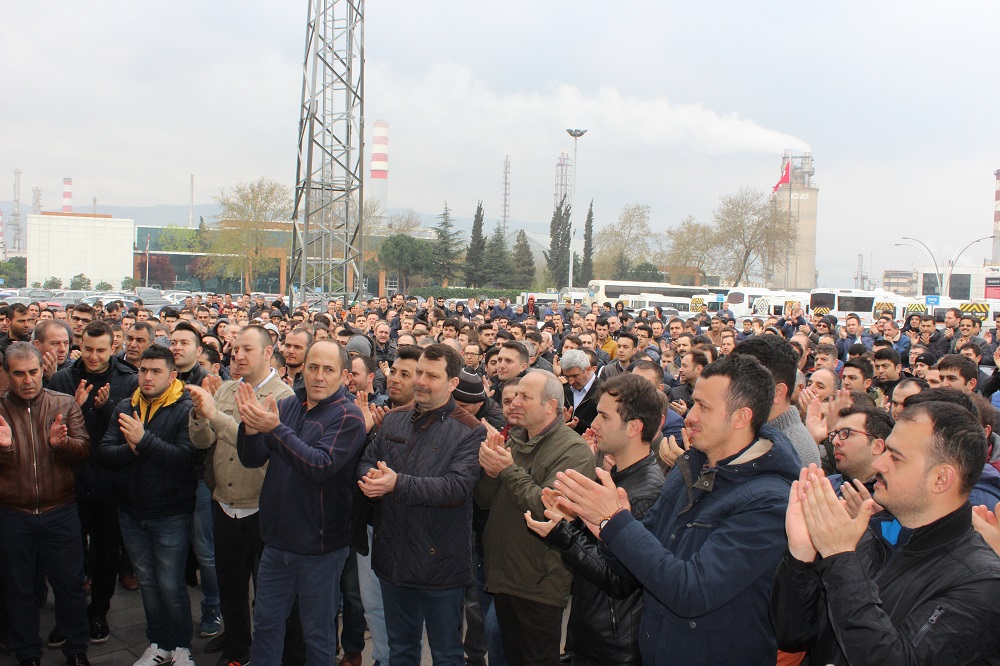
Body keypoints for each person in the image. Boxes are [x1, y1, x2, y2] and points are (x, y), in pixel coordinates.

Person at [552, 354, 801, 664]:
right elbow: (636, 564)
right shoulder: (690, 468)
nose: (689, 416)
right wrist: (604, 528)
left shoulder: (769, 502)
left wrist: (615, 523)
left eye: (704, 407)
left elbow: (691, 591)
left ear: (740, 418)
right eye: (694, 402)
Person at [771, 402, 1000, 664]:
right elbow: (792, 634)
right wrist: (801, 556)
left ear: (941, 479)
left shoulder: (982, 583)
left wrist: (840, 555)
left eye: (895, 456)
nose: (878, 463)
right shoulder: (873, 533)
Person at [237, 339, 366, 666]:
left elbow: (320, 465)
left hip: (319, 548)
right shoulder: (289, 404)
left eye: (328, 369)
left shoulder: (347, 415)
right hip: (277, 541)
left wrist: (274, 428)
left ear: (344, 376)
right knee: (265, 623)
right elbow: (252, 459)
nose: (319, 377)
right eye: (312, 367)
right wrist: (251, 428)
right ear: (302, 370)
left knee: (317, 634)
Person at [357, 344, 486, 665]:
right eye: (420, 373)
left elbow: (456, 488)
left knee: (446, 654)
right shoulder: (394, 420)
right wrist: (371, 480)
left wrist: (396, 483)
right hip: (394, 560)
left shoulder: (471, 431)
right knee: (400, 649)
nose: (421, 381)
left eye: (432, 375)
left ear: (453, 383)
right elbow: (366, 461)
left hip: (440, 566)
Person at [525, 374, 665, 666]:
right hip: (594, 636)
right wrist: (572, 521)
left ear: (634, 427)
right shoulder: (618, 477)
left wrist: (563, 533)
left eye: (603, 416)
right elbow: (601, 546)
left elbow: (620, 580)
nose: (593, 425)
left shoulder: (644, 492)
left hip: (614, 647)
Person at [188, 326, 294, 666]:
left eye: (248, 349)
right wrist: (198, 414)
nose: (239, 355)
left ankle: (267, 652)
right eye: (235, 350)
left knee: (268, 590)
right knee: (230, 585)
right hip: (224, 502)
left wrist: (214, 415)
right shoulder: (227, 389)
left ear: (268, 352)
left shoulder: (284, 398)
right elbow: (204, 442)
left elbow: (258, 448)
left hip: (262, 507)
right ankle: (237, 648)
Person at [476, 370, 597, 666]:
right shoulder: (514, 440)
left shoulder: (574, 450)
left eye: (525, 397)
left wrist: (506, 470)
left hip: (540, 583)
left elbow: (548, 510)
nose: (514, 402)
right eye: (515, 395)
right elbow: (483, 500)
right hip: (505, 574)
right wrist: (491, 472)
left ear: (550, 406)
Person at [99, 345, 199, 666]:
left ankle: (182, 646)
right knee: (148, 583)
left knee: (170, 584)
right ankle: (158, 642)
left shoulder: (185, 410)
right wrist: (133, 450)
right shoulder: (126, 406)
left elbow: (185, 459)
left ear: (173, 375)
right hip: (131, 512)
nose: (147, 377)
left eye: (156, 371)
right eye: (143, 370)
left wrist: (143, 441)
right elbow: (105, 453)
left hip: (171, 513)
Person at [0, 342, 91, 666]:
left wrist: (61, 444)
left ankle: (77, 649)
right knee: (19, 589)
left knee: (70, 585)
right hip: (13, 514)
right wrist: (5, 449)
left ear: (43, 370)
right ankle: (27, 653)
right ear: (7, 374)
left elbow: (83, 450)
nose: (27, 380)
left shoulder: (63, 403)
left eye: (34, 372)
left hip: (60, 510)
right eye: (19, 373)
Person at [49, 321, 138, 645]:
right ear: (79, 345)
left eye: (101, 350)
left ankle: (98, 611)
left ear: (113, 347)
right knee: (67, 555)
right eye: (88, 349)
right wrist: (75, 407)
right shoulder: (62, 378)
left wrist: (107, 408)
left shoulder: (127, 380)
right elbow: (53, 429)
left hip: (110, 482)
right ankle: (67, 617)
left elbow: (133, 430)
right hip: (68, 480)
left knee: (105, 552)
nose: (94, 356)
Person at [560, 349, 602, 434]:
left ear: (588, 369)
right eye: (567, 377)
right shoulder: (563, 389)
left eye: (575, 376)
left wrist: (578, 425)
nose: (571, 382)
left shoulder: (603, 392)